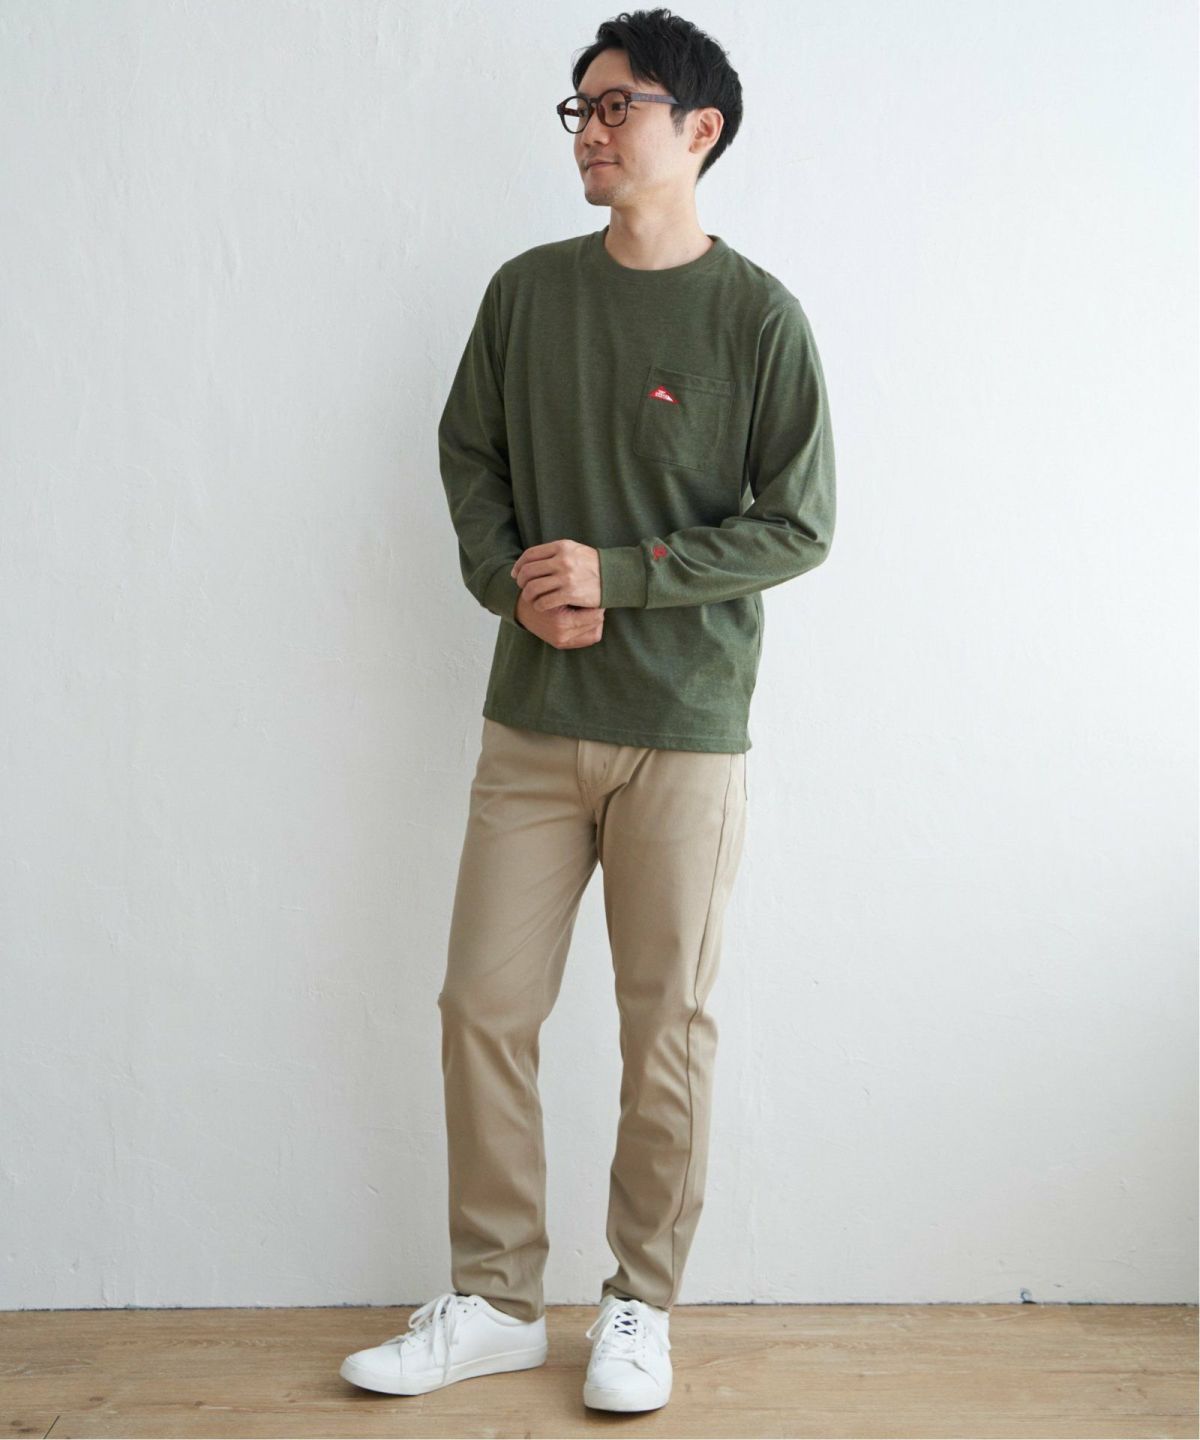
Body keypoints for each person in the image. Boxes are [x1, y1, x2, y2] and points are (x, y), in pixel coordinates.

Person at [340, 5, 836, 1415]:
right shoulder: (527, 295)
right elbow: (470, 456)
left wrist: (623, 575)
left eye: (619, 106)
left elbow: (800, 524)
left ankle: (639, 1306)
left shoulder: (758, 318)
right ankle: (498, 1300)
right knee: (481, 1008)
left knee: (664, 1026)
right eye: (581, 109)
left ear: (701, 128)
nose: (591, 131)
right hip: (534, 721)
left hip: (686, 729)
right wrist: (510, 582)